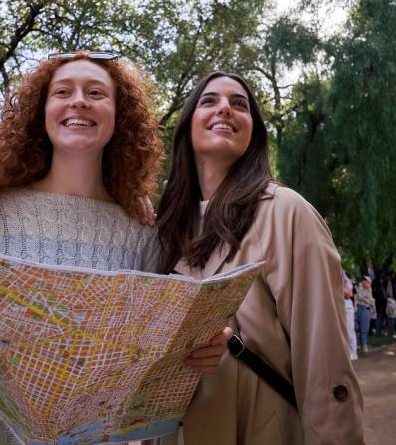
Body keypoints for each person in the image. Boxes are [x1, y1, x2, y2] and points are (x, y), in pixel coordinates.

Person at [0, 52, 229, 442]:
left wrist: (195, 356)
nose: (79, 101)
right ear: (42, 112)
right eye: (63, 91)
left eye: (96, 93)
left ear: (118, 117)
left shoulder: (142, 232)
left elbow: (147, 368)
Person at [155, 71, 364, 443]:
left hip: (260, 428)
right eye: (209, 101)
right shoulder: (165, 229)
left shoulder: (285, 211)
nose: (225, 109)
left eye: (240, 104)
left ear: (254, 132)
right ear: (187, 126)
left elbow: (323, 356)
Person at [355, 277, 376, 355]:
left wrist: (367, 299)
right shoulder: (359, 287)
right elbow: (360, 297)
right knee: (358, 327)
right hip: (361, 308)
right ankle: (360, 345)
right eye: (368, 282)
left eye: (370, 283)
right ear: (364, 281)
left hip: (368, 309)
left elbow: (371, 299)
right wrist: (367, 299)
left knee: (366, 328)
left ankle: (364, 345)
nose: (369, 284)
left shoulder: (369, 289)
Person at [342, 270, 358, 360]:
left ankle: (353, 352)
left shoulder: (347, 281)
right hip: (340, 307)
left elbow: (349, 294)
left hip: (347, 307)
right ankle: (346, 352)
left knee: (350, 331)